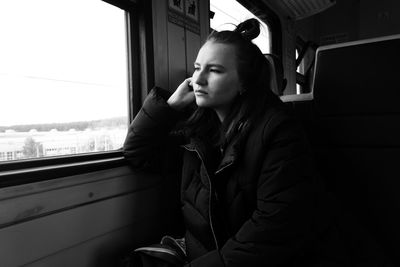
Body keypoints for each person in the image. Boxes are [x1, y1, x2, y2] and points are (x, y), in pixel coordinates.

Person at [123, 19, 385, 267]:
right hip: (207, 254)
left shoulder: (278, 130)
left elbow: (276, 225)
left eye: (214, 70)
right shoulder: (197, 132)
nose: (198, 80)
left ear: (244, 83)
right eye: (197, 68)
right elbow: (138, 153)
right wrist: (169, 107)